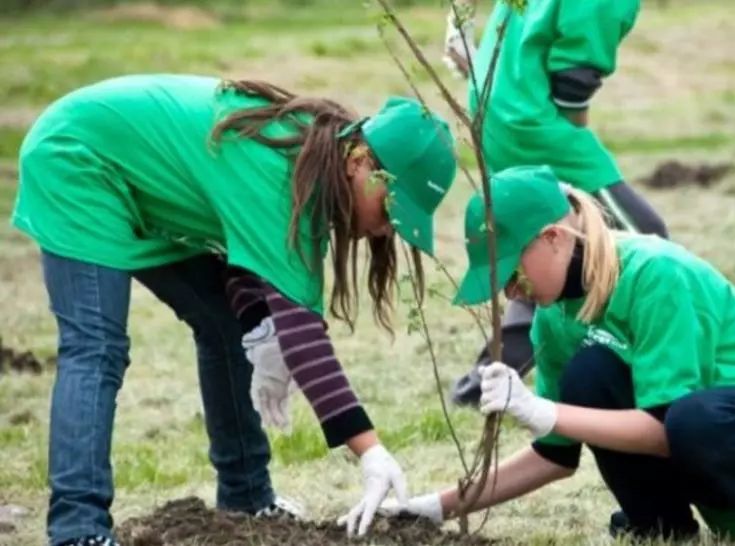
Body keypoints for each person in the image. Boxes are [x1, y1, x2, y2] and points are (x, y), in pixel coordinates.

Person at [10, 74, 457, 545]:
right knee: (97, 347)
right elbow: (304, 339)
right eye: (391, 209)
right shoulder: (280, 175)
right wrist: (370, 450)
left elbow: (243, 262)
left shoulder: (315, 165)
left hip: (134, 179)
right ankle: (78, 530)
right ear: (360, 160)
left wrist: (257, 330)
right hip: (79, 157)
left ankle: (246, 497)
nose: (388, 229)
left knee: (224, 325)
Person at [381, 166, 735, 545]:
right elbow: (554, 455)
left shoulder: (656, 273)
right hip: (697, 438)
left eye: (511, 271)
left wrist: (544, 410)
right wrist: (436, 507)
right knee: (589, 373)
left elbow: (666, 427)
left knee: (691, 416)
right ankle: (661, 529)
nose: (509, 292)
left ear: (554, 237)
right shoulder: (553, 318)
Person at [442, 0, 670, 405]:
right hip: (532, 120)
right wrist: (573, 138)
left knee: (546, 243)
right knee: (645, 238)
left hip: (501, 104)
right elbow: (574, 80)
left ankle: (486, 380)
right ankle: (667, 365)